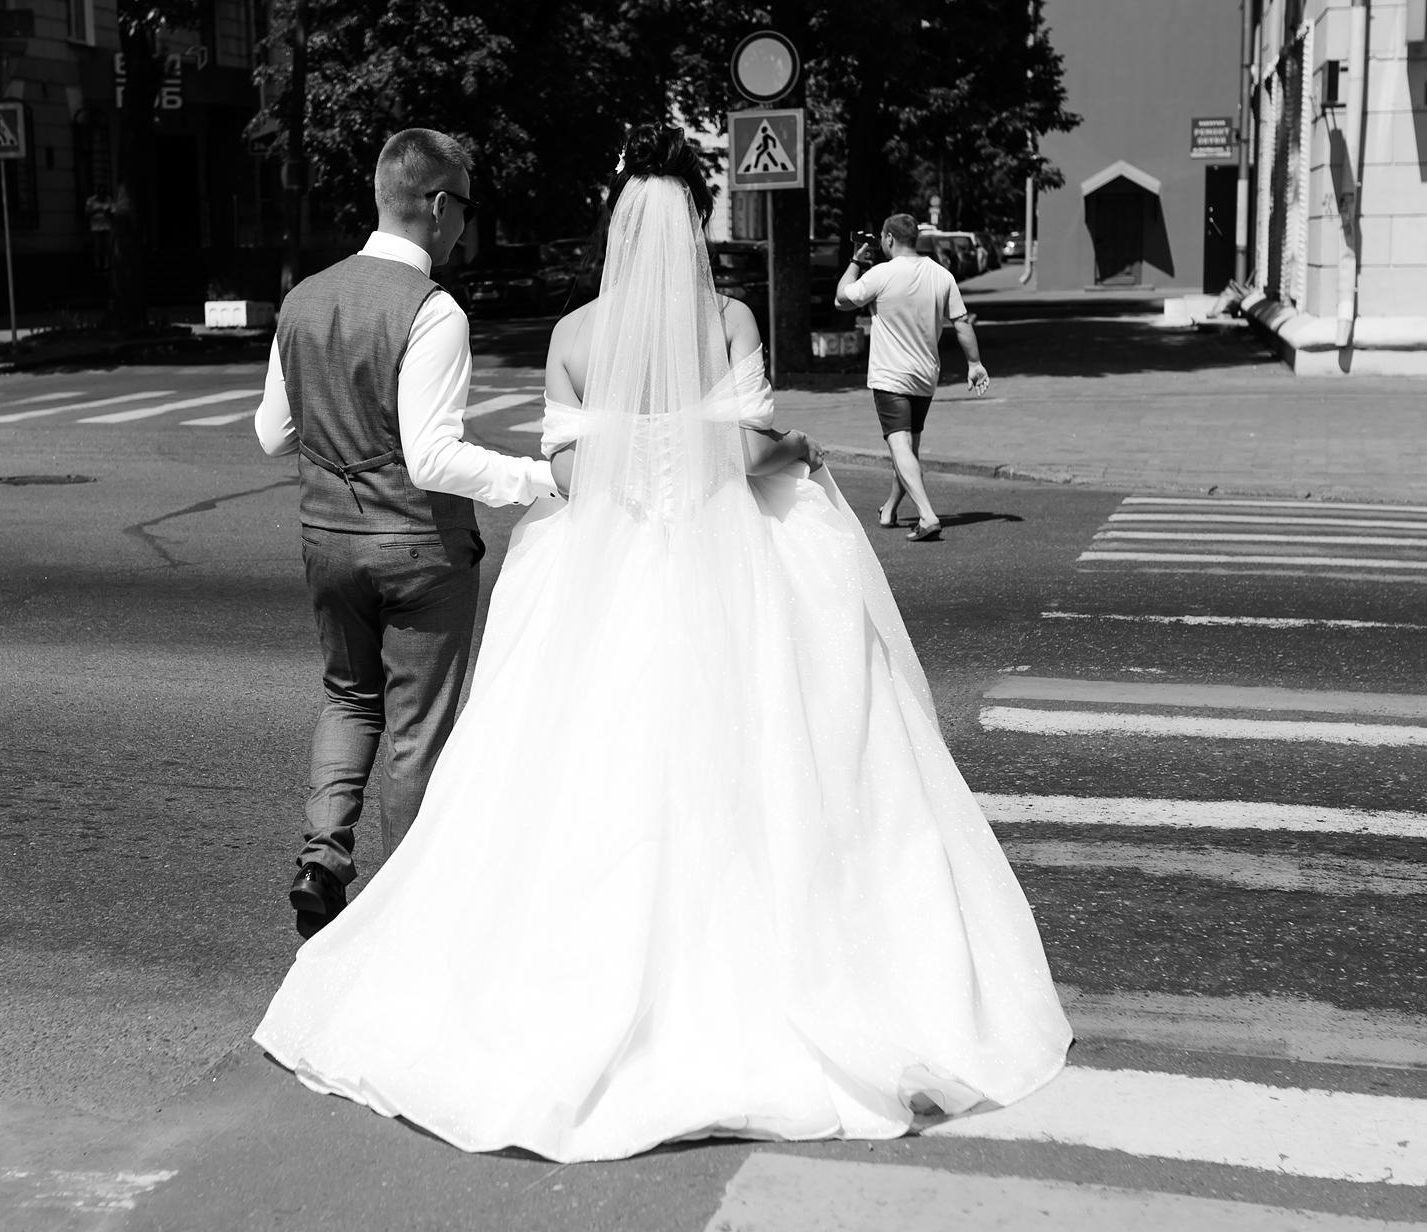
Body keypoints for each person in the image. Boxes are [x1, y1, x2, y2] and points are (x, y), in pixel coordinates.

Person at [254, 126, 1071, 1163]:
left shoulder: (574, 334)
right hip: (730, 561)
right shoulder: (724, 316)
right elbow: (741, 451)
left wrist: (612, 466)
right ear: (690, 224)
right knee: (777, 756)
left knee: (573, 764)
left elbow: (571, 466)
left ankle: (465, 935)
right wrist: (802, 448)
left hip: (596, 564)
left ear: (612, 228)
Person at [253, 128, 561, 938]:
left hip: (326, 538)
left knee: (348, 697)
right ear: (435, 204)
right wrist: (541, 478)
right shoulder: (434, 311)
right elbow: (432, 458)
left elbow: (271, 436)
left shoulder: (304, 298)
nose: (465, 226)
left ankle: (323, 856)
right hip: (419, 548)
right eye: (464, 208)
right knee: (418, 728)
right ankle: (401, 915)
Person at [836, 212, 988, 542]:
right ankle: (890, 507)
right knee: (907, 447)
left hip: (890, 375)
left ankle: (927, 515)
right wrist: (974, 363)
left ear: (889, 239)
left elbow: (842, 299)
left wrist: (854, 261)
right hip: (925, 376)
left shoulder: (881, 274)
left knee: (900, 445)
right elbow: (961, 322)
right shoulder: (941, 274)